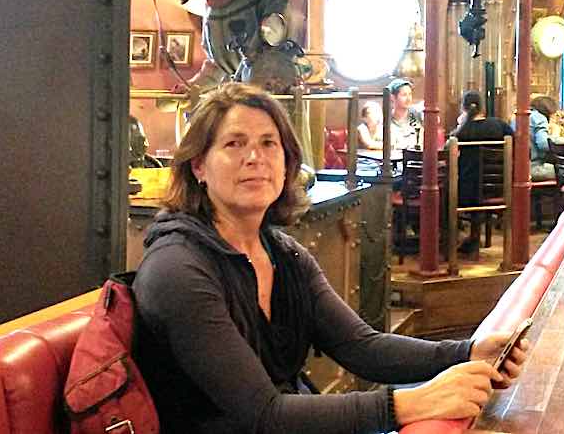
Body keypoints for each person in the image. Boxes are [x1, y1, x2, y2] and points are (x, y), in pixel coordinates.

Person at [132, 83, 529, 434]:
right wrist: (410, 404)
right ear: (199, 165)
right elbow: (263, 415)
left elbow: (362, 347)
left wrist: (468, 352)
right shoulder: (178, 268)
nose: (255, 157)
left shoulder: (282, 254)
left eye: (269, 143)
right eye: (234, 143)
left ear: (287, 163)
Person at [452, 90, 513, 255]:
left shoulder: (463, 131)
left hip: (467, 191)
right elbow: (517, 144)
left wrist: (461, 124)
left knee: (444, 193)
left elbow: (447, 151)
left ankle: (449, 241)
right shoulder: (500, 125)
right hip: (497, 188)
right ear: (482, 107)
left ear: (464, 108)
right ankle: (474, 237)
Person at [386, 78, 423, 151]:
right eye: (404, 95)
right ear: (393, 97)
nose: (408, 98)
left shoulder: (416, 116)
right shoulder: (386, 120)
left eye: (410, 94)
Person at [528, 95, 559, 181]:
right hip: (533, 169)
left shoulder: (519, 117)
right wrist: (556, 135)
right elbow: (543, 144)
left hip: (518, 168)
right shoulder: (539, 118)